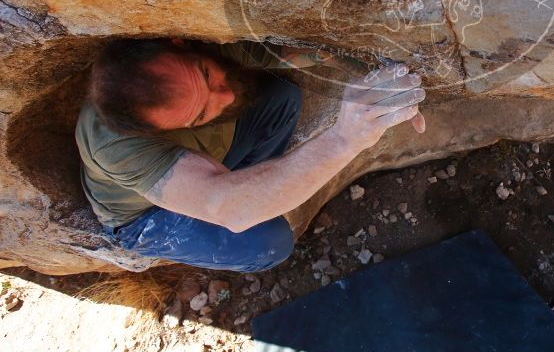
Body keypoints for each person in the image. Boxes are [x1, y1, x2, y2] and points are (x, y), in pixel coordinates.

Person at [75, 38, 426, 272]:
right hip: (148, 214)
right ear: (152, 133)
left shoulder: (200, 53)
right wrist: (346, 138)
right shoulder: (115, 145)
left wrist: (382, 81)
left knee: (281, 97)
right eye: (199, 116)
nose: (225, 98)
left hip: (209, 162)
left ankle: (258, 188)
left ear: (178, 45)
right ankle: (257, 195)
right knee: (268, 242)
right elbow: (225, 206)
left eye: (208, 76)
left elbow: (308, 52)